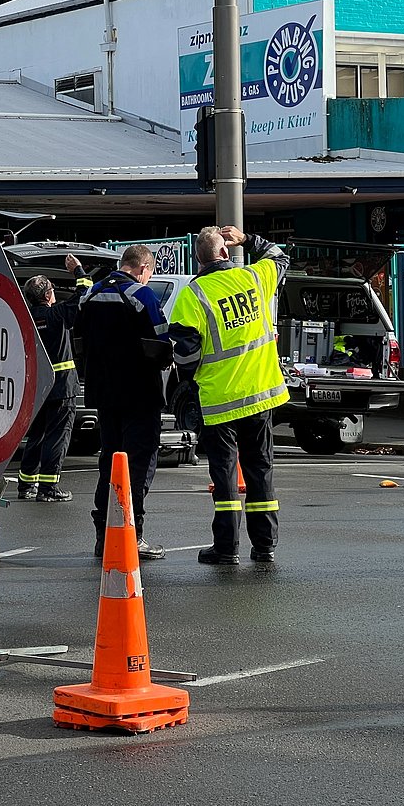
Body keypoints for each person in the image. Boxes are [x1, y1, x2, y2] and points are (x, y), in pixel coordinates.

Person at [169, 225, 290, 565]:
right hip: (260, 395)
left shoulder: (193, 295)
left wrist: (195, 377)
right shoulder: (253, 278)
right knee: (260, 469)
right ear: (225, 253)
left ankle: (226, 548)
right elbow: (280, 256)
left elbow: (185, 354)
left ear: (198, 258)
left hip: (219, 401)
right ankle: (264, 545)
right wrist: (248, 239)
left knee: (224, 477)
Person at [77, 244, 170, 560]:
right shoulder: (142, 296)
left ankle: (104, 535)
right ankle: (133, 534)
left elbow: (78, 338)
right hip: (140, 394)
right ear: (144, 268)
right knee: (138, 464)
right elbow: (161, 342)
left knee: (110, 463)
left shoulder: (91, 295)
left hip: (104, 394)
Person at [17, 256, 90, 503]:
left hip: (37, 388)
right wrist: (78, 270)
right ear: (49, 295)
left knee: (36, 435)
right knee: (57, 436)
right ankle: (49, 488)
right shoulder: (57, 314)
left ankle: (26, 484)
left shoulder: (24, 321)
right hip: (62, 387)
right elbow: (85, 293)